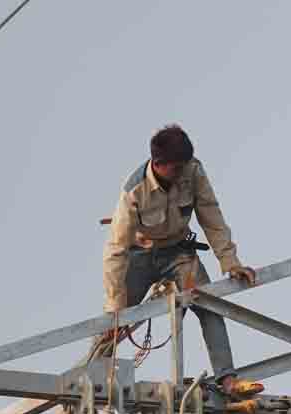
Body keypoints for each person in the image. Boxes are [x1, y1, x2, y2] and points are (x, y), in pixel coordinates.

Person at [98, 124, 259, 394]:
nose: (181, 174)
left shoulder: (192, 171)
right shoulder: (134, 191)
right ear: (158, 164)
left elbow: (211, 215)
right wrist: (116, 304)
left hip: (179, 253)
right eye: (176, 169)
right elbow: (115, 250)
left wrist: (230, 262)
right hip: (140, 255)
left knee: (208, 305)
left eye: (184, 167)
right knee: (115, 321)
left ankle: (227, 378)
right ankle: (94, 373)